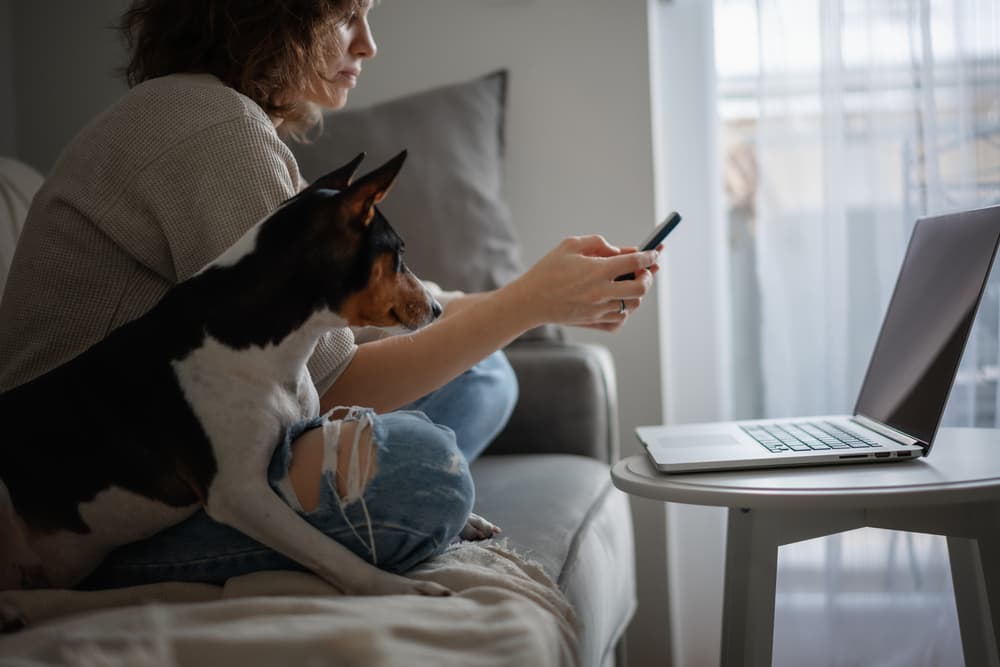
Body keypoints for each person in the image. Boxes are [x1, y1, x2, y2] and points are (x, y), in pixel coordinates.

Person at [0, 0, 658, 589]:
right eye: (346, 14)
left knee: (488, 373)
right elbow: (331, 382)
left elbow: (349, 333)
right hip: (86, 515)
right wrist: (527, 304)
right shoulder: (212, 130)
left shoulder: (216, 118)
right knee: (422, 477)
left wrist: (531, 296)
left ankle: (331, 479)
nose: (368, 43)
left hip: (191, 442)